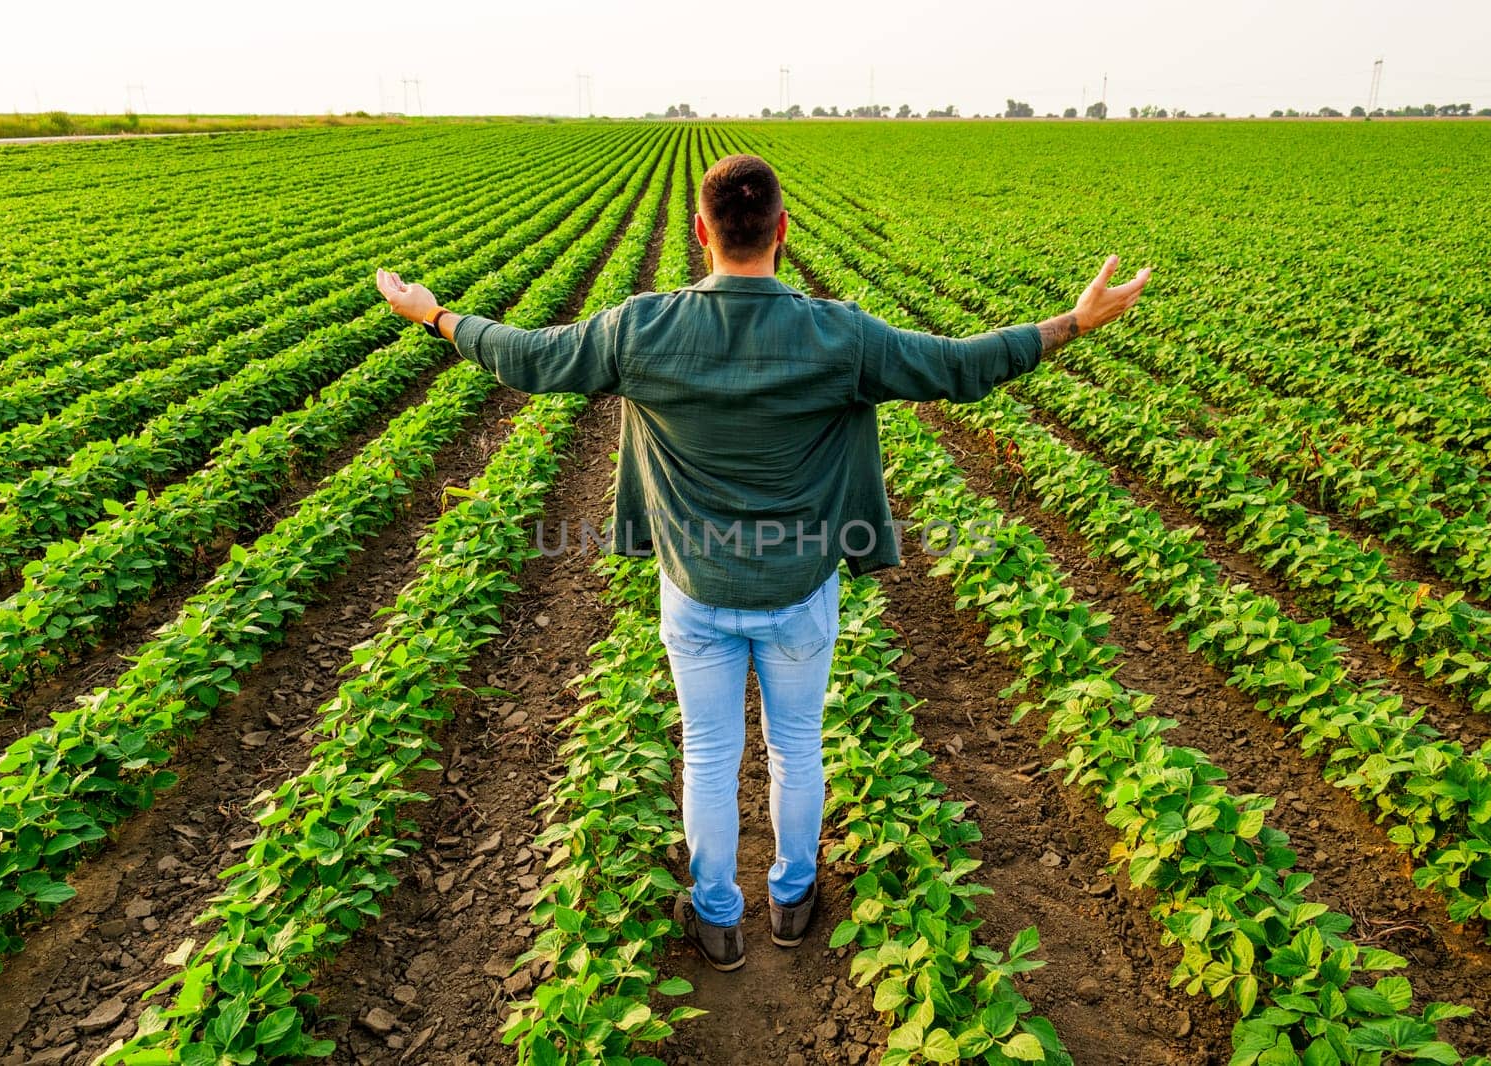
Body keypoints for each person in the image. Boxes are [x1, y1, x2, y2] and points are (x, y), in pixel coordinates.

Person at [375, 153, 1150, 973]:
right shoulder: (840, 334)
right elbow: (959, 369)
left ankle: (717, 919)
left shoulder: (641, 327)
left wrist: (437, 316)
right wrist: (1073, 323)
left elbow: (529, 357)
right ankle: (791, 898)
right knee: (798, 748)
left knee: (708, 757)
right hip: (800, 590)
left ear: (701, 233)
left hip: (696, 590)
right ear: (782, 231)